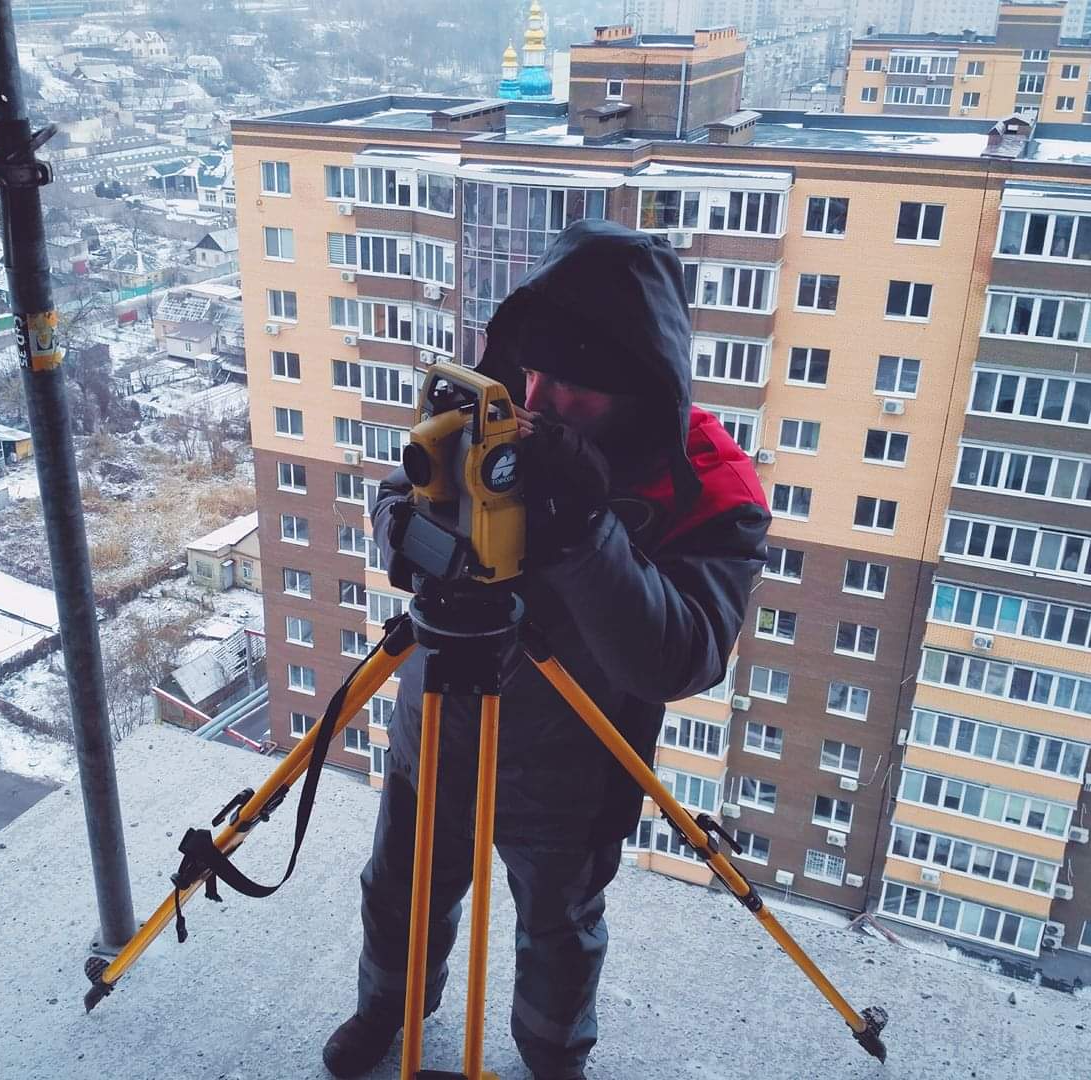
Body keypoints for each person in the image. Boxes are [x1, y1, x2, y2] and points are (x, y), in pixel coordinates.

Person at [322, 219, 771, 1080]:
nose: (545, 401)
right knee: (400, 895)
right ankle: (387, 1008)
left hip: (576, 766)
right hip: (439, 725)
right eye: (539, 372)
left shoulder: (709, 485)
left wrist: (584, 533)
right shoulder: (496, 407)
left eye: (580, 389)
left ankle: (553, 1056)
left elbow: (682, 656)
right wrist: (421, 530)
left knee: (559, 931)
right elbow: (395, 496)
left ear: (644, 388)